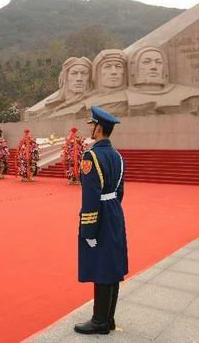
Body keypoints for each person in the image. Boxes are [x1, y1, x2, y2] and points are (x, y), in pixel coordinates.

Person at [74, 106, 127, 336]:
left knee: (102, 267)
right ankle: (109, 317)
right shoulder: (117, 156)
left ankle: (99, 322)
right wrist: (112, 208)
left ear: (99, 128)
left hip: (101, 214)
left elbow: (90, 197)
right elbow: (120, 191)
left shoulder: (91, 156)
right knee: (112, 265)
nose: (91, 130)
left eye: (92, 126)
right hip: (115, 211)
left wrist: (89, 230)